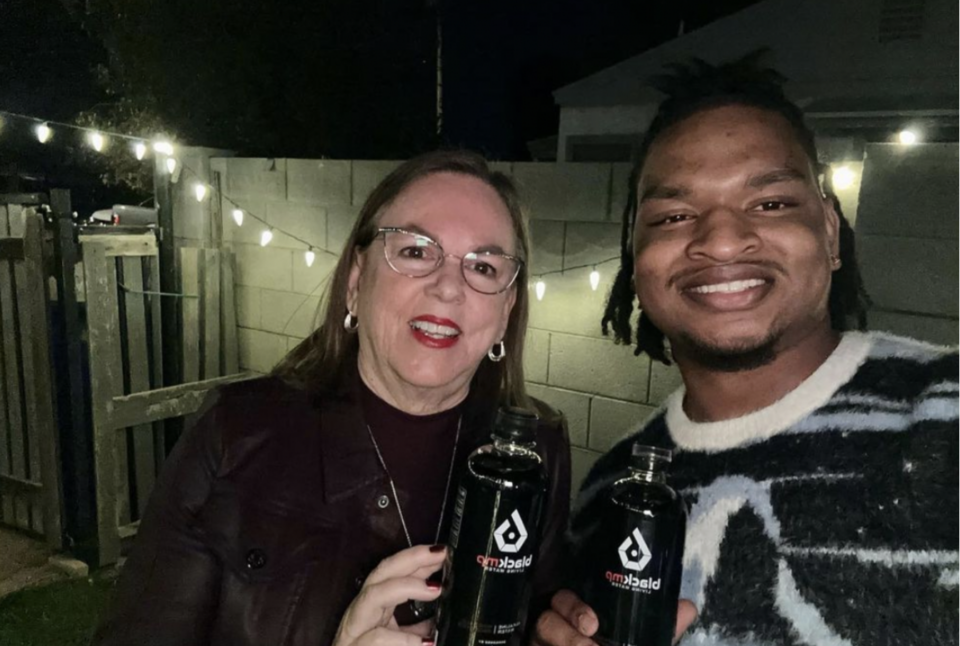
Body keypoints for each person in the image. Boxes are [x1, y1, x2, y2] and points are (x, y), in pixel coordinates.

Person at [534, 57, 958, 646]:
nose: (722, 240)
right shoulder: (610, 496)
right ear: (636, 260)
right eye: (675, 215)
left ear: (830, 233)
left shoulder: (946, 416)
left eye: (771, 203)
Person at [93, 150, 572, 646]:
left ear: (507, 309)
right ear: (356, 279)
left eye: (485, 267)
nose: (449, 287)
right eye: (415, 251)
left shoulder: (539, 452)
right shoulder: (235, 434)